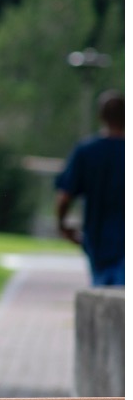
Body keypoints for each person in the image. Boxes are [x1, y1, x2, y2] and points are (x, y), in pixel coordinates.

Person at [56, 90, 125, 287]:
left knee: (103, 292)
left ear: (100, 116)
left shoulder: (86, 151)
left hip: (97, 236)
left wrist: (62, 225)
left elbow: (64, 196)